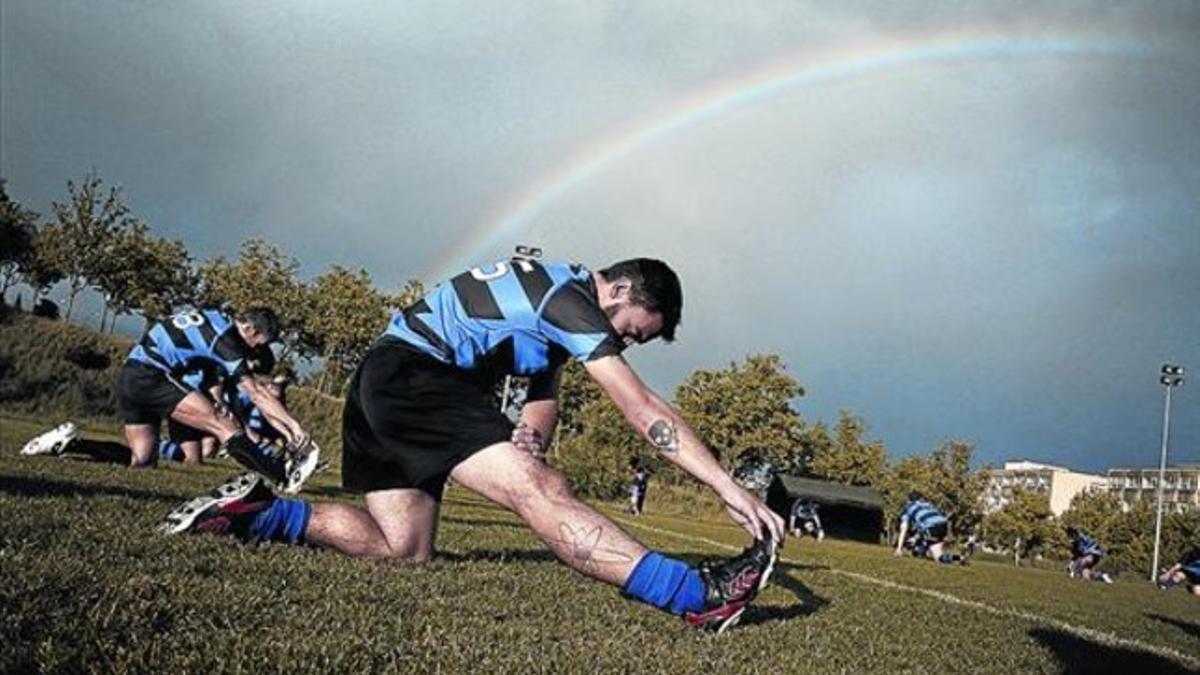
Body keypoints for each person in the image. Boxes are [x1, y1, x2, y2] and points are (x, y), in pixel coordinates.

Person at [162, 257, 785, 633]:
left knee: (401, 549)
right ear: (618, 293)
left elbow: (543, 394)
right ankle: (693, 597)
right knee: (545, 494)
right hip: (418, 378)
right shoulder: (569, 301)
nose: (623, 343)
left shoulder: (558, 295)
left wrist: (530, 441)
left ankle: (256, 513)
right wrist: (728, 485)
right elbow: (641, 408)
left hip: (384, 382)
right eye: (629, 332)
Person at [21, 307, 311, 490]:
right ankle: (282, 477)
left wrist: (218, 398)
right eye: (258, 344)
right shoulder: (226, 338)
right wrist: (295, 428)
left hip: (130, 377)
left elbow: (206, 367)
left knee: (142, 460)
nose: (255, 352)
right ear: (249, 329)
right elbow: (256, 391)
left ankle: (68, 445)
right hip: (151, 377)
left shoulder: (213, 317)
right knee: (224, 426)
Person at [894, 491, 963, 565]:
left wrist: (899, 548)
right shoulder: (928, 505)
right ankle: (959, 558)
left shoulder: (909, 509)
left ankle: (920, 550)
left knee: (916, 541)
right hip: (944, 524)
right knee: (939, 557)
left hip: (931, 526)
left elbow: (904, 529)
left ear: (909, 501)